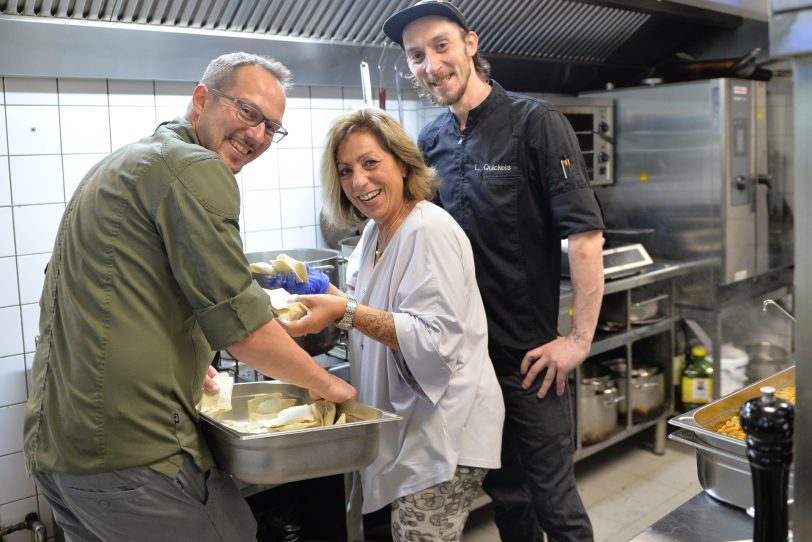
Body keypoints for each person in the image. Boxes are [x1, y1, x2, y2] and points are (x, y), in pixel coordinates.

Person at [23, 52, 356, 542]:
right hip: (133, 456)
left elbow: (93, 297)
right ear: (202, 100)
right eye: (247, 112)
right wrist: (331, 389)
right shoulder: (194, 168)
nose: (258, 135)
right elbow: (246, 333)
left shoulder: (116, 167)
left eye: (271, 127)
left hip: (59, 457)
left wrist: (178, 355)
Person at [383, 2, 606, 541]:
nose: (431, 64)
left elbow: (585, 235)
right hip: (466, 366)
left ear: (470, 44)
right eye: (417, 56)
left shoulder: (536, 123)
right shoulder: (429, 141)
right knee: (508, 499)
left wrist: (577, 340)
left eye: (440, 46)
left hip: (529, 362)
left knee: (555, 503)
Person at [282, 107, 504, 541]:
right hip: (410, 423)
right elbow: (372, 306)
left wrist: (344, 312)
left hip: (446, 430)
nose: (358, 182)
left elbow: (433, 339)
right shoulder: (374, 233)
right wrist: (314, 292)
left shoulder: (428, 230)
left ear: (403, 163)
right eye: (345, 170)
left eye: (370, 163)